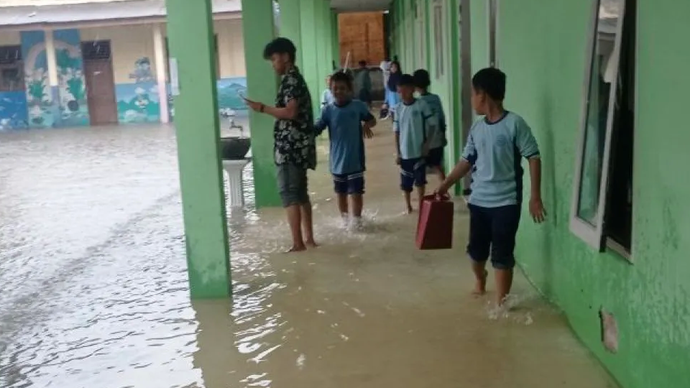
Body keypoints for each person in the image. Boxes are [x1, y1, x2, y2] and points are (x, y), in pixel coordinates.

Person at [435, 67, 546, 305]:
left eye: (472, 94)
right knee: (476, 253)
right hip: (479, 201)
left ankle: (501, 303)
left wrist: (535, 196)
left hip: (507, 201)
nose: (472, 100)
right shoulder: (477, 128)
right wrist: (445, 185)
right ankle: (480, 278)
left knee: (502, 254)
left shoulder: (515, 124)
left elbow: (534, 156)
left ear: (482, 95)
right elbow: (466, 161)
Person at [243, 37, 318, 253]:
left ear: (285, 57)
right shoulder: (296, 79)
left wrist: (262, 108)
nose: (273, 64)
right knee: (300, 192)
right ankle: (309, 239)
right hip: (300, 146)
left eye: (274, 59)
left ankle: (298, 243)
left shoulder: (291, 81)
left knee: (289, 193)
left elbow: (291, 112)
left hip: (290, 147)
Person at [315, 71, 377, 229]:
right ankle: (344, 222)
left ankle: (356, 222)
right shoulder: (327, 110)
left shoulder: (358, 106)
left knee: (356, 193)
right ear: (330, 89)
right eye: (335, 88)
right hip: (336, 162)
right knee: (341, 194)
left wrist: (366, 125)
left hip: (355, 160)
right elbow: (317, 128)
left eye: (342, 88)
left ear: (349, 89)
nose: (338, 91)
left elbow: (372, 119)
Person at [394, 74, 436, 214]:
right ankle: (408, 207)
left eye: (404, 90)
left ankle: (421, 205)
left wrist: (427, 145)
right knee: (405, 184)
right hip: (405, 152)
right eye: (399, 91)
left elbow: (432, 125)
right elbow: (397, 132)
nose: (402, 94)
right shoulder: (398, 108)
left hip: (419, 151)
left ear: (412, 89)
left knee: (420, 181)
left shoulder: (421, 105)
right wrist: (398, 153)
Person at [413, 69, 447, 182]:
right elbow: (442, 118)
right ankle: (444, 192)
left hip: (424, 142)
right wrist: (443, 135)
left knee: (420, 169)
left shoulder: (418, 103)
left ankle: (421, 197)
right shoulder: (435, 98)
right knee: (438, 167)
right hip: (437, 138)